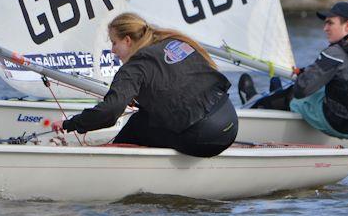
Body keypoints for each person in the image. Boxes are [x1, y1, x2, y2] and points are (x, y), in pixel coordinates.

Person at [52, 12, 238, 157]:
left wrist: (70, 123)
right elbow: (180, 84)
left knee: (137, 124)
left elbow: (109, 112)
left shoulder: (133, 69)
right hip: (229, 122)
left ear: (127, 40)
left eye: (114, 43)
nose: (112, 50)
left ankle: (112, 169)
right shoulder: (173, 42)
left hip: (205, 138)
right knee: (147, 115)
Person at [252, 1, 348, 139]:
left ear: (347, 26)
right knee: (326, 87)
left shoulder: (335, 53)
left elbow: (301, 89)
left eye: (330, 23)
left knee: (292, 95)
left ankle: (258, 107)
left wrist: (304, 75)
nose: (325, 28)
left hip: (338, 125)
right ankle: (273, 92)